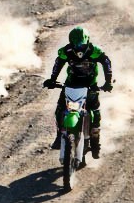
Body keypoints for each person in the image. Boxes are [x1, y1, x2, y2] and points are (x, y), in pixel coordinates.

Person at [44, 26, 113, 158]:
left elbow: (106, 62)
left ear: (87, 41)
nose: (79, 50)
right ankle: (59, 134)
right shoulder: (66, 51)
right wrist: (52, 80)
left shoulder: (95, 51)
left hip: (90, 86)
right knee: (60, 108)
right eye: (76, 46)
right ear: (71, 42)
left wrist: (108, 81)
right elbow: (58, 63)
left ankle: (95, 143)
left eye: (81, 46)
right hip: (71, 84)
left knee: (95, 112)